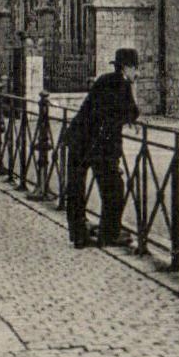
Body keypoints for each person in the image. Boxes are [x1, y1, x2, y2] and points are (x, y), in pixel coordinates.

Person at [65, 48, 139, 248]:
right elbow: (132, 112)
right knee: (114, 188)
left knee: (76, 188)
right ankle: (109, 234)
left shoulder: (104, 80)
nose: (137, 73)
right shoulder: (123, 85)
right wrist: (132, 90)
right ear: (127, 68)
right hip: (98, 145)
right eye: (135, 68)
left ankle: (78, 235)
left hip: (78, 138)